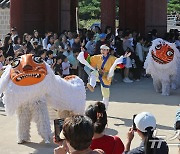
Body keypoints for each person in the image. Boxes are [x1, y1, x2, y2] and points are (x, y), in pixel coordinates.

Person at [78, 44, 129, 109]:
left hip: (106, 77)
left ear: (108, 50)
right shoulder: (97, 57)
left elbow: (119, 64)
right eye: (101, 49)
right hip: (99, 74)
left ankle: (105, 107)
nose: (102, 51)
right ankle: (92, 85)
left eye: (104, 49)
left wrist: (124, 58)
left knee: (105, 95)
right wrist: (84, 53)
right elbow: (89, 60)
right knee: (93, 73)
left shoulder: (112, 58)